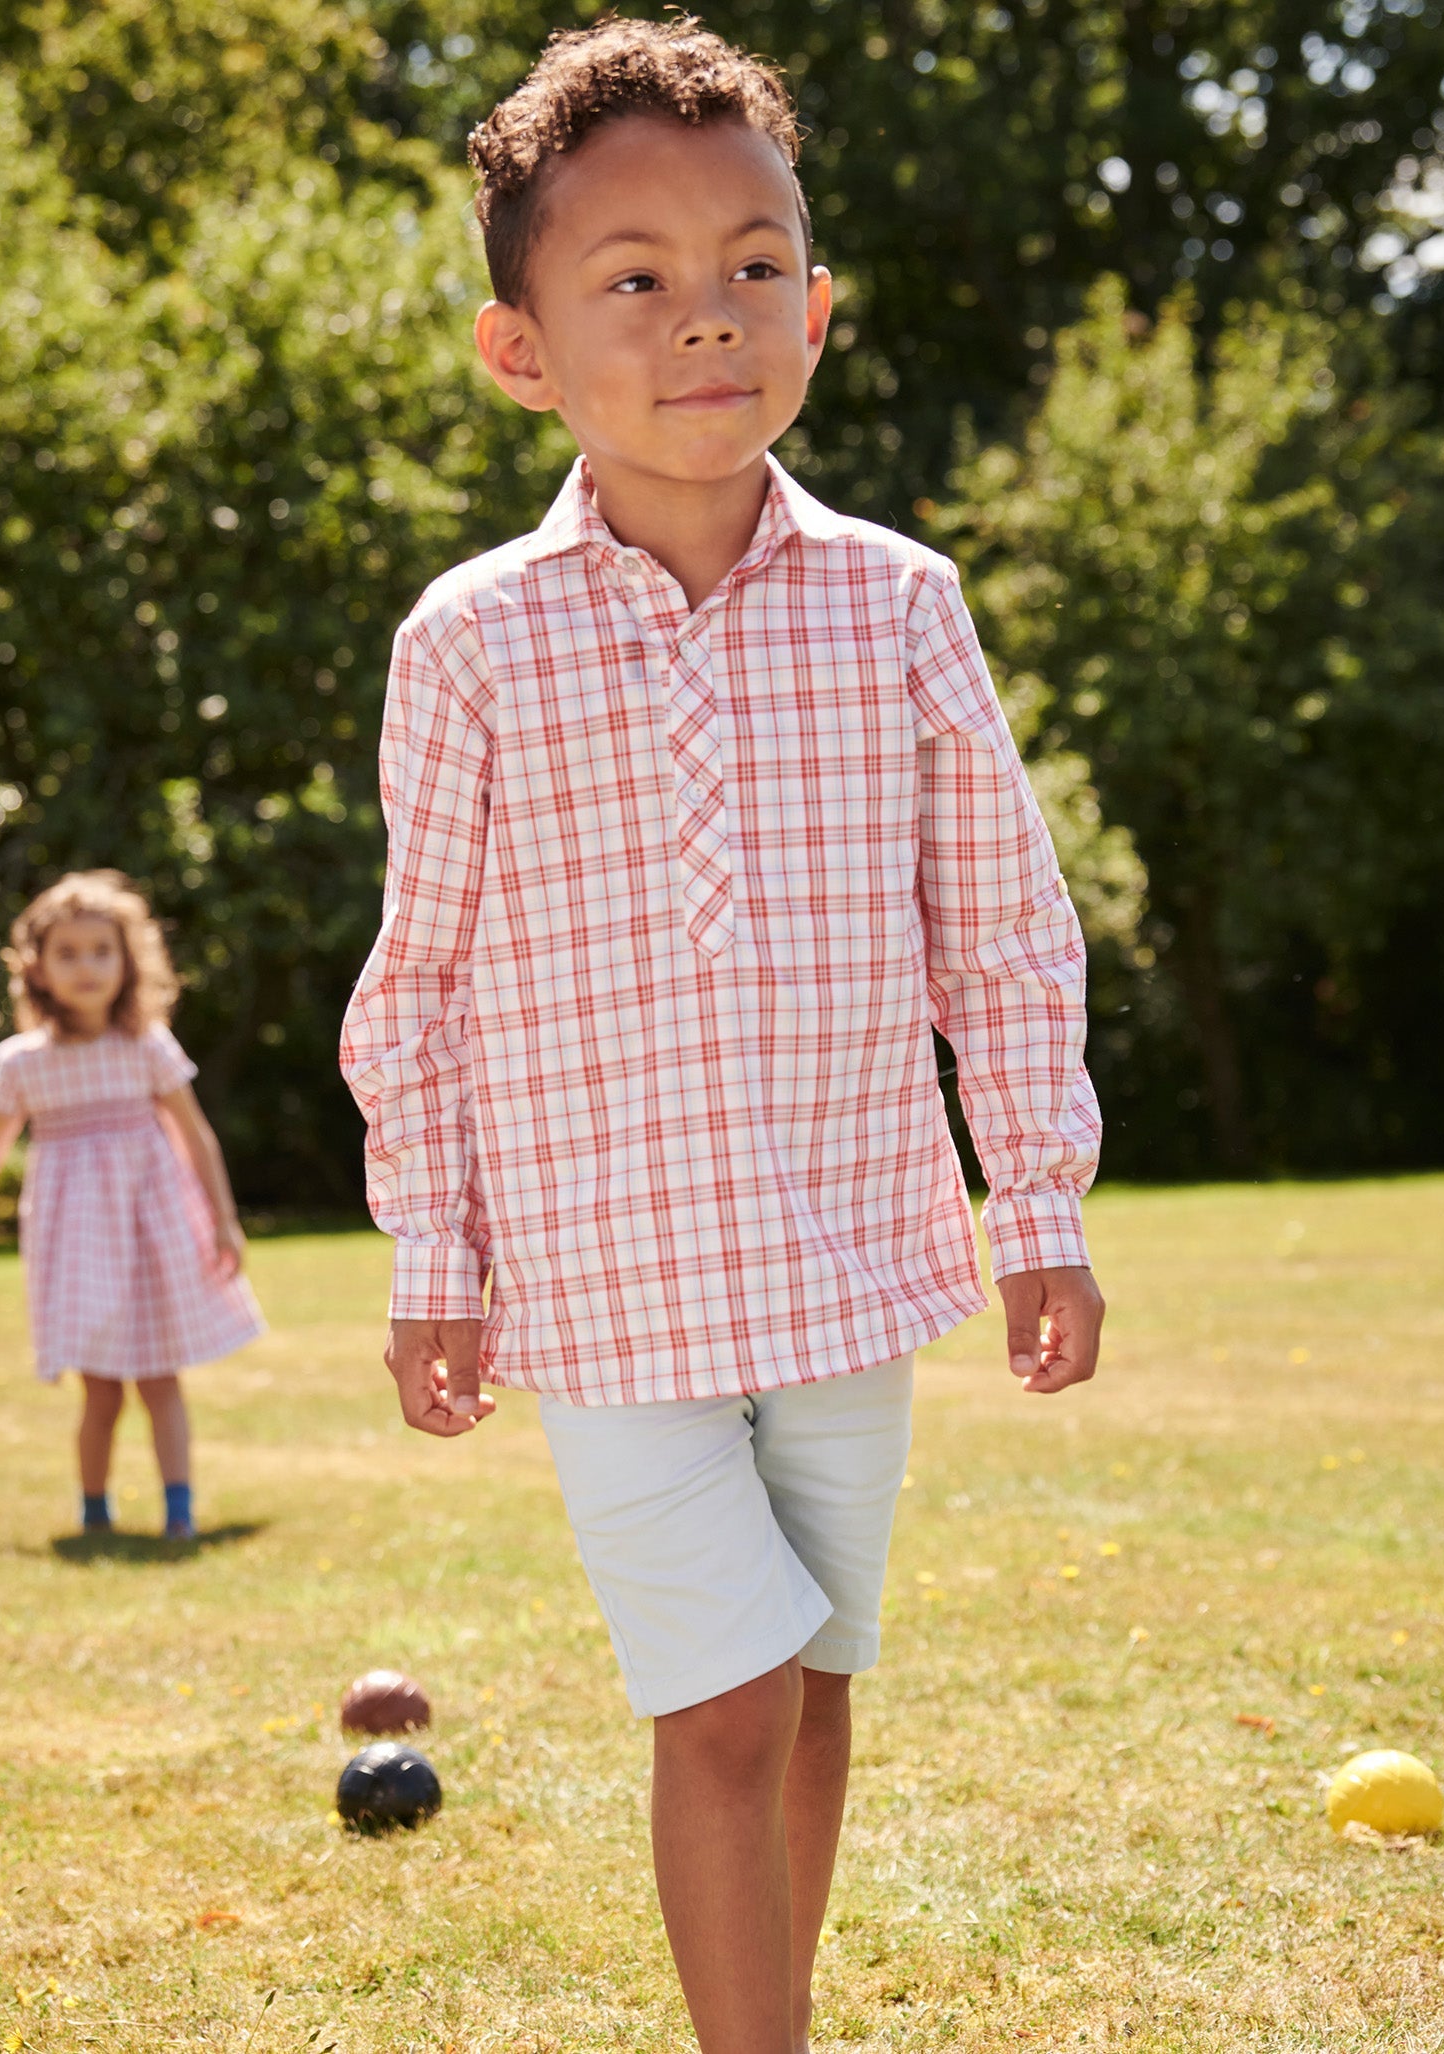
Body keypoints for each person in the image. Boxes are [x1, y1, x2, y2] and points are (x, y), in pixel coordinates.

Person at [341, 19, 1104, 2052]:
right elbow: (414, 976)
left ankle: (772, 2008)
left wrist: (1031, 1196)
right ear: (521, 349)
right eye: (637, 279)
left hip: (853, 1252)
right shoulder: (469, 642)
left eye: (753, 265)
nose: (708, 319)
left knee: (817, 1681)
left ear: (818, 305)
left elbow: (1002, 931)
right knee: (725, 1698)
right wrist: (437, 1251)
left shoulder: (898, 604)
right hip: (611, 1285)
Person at [0, 870, 263, 1538]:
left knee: (161, 1376)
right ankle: (94, 1511)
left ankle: (178, 1510)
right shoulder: (21, 1062)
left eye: (101, 951)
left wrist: (223, 1216)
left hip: (152, 1227)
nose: (87, 967)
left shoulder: (147, 1045)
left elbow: (192, 1133)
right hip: (78, 1237)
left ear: (129, 961)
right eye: (68, 953)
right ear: (38, 968)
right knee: (102, 1386)